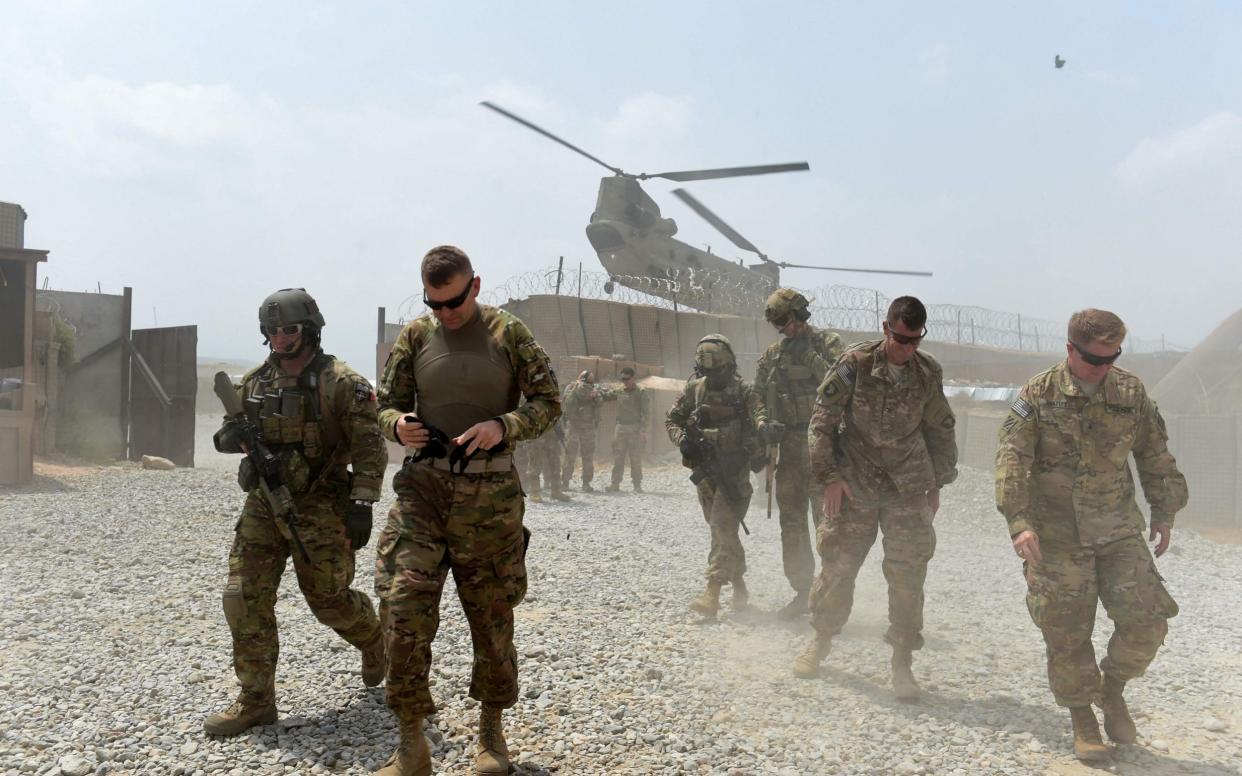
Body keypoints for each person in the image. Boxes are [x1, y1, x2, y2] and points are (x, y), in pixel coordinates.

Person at [374, 245, 560, 776]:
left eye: (453, 302)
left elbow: (548, 404)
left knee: (491, 616)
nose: (445, 314)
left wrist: (503, 425)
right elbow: (387, 402)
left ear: (474, 286)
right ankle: (411, 744)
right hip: (424, 492)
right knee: (401, 609)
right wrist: (396, 424)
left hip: (490, 496)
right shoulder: (415, 336)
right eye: (435, 304)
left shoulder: (510, 334)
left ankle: (491, 736)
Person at [995, 308, 1187, 762]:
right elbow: (1010, 458)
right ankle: (1083, 718)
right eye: (1094, 359)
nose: (1104, 368)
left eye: (1112, 357)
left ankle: (1113, 689)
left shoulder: (1130, 392)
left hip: (1117, 530)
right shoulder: (1036, 395)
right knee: (1066, 633)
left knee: (1148, 622)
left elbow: (1155, 454)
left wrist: (1165, 510)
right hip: (1056, 536)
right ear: (1070, 349)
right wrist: (1018, 522)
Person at [205, 288, 387, 736]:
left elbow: (369, 446)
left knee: (329, 600)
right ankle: (256, 700)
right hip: (265, 504)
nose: (279, 338)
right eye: (271, 331)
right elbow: (225, 435)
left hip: (322, 504)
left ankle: (376, 639)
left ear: (310, 330)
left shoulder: (342, 383)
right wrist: (238, 439)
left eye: (288, 329)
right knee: (243, 596)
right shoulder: (254, 383)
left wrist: (362, 504)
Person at [793, 296, 957, 702]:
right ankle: (821, 641)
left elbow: (941, 429)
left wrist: (937, 482)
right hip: (857, 482)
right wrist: (829, 477)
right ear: (886, 329)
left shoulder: (927, 372)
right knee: (838, 566)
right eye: (901, 338)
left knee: (908, 576)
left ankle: (902, 663)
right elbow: (821, 423)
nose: (907, 348)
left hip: (908, 487)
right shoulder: (855, 364)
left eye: (915, 340)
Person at [753, 288, 845, 619]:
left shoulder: (829, 344)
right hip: (789, 452)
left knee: (828, 525)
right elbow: (756, 394)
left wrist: (808, 356)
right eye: (778, 325)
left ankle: (831, 594)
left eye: (787, 321)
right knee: (791, 525)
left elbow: (841, 384)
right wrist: (763, 422)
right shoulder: (773, 356)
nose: (784, 330)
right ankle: (802, 591)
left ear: (802, 314)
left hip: (823, 451)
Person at [666, 334, 770, 619]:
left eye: (719, 371)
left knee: (722, 527)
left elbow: (759, 417)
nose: (714, 377)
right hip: (705, 473)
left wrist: (760, 435)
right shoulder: (695, 390)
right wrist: (682, 440)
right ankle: (739, 586)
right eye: (708, 372)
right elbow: (672, 420)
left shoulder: (745, 392)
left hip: (733, 473)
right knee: (722, 531)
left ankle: (711, 593)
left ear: (730, 365)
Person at [560, 370, 617, 492]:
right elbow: (601, 400)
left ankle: (566, 483)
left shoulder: (571, 387)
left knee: (572, 455)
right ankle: (585, 484)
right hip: (584, 426)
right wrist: (595, 395)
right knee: (586, 456)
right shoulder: (588, 389)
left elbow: (565, 401)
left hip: (574, 426)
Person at [606, 367, 649, 492]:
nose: (624, 381)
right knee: (618, 457)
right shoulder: (619, 390)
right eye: (622, 379)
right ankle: (615, 484)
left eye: (626, 379)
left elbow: (646, 413)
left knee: (635, 458)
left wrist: (643, 430)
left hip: (635, 428)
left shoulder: (641, 392)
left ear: (633, 378)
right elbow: (606, 396)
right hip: (620, 428)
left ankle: (637, 484)